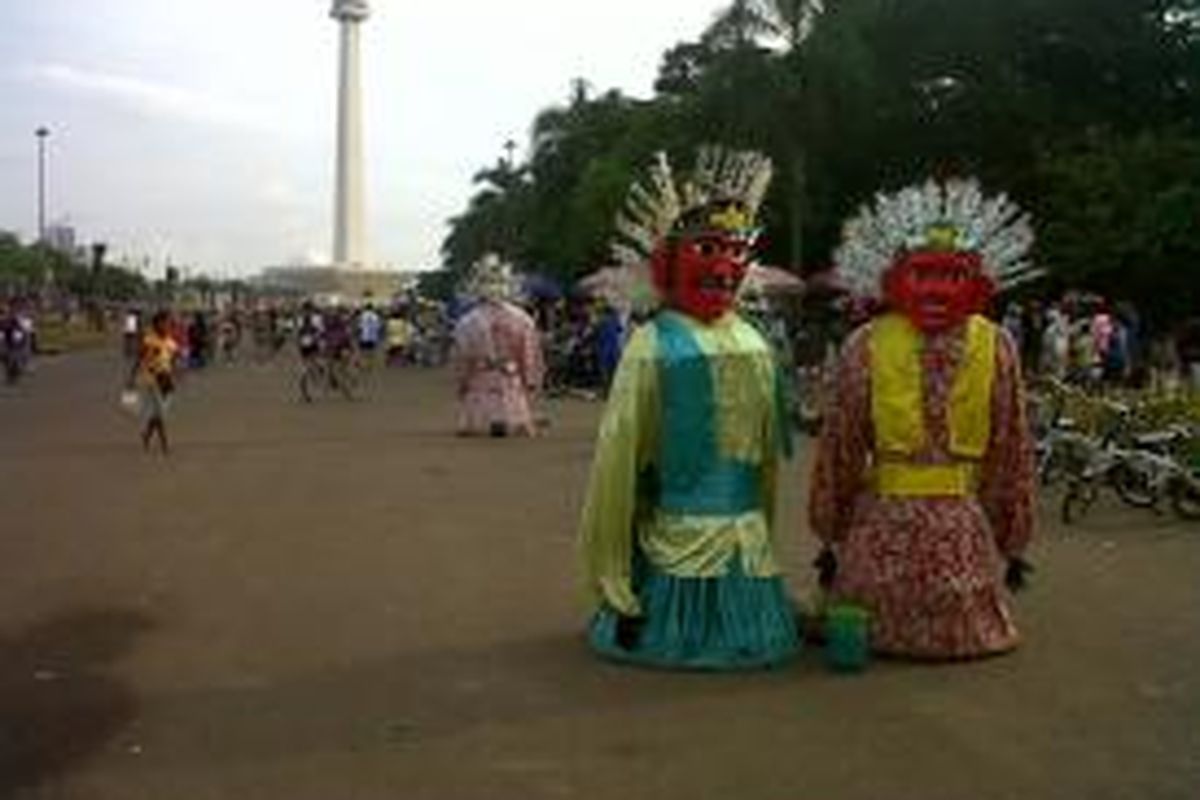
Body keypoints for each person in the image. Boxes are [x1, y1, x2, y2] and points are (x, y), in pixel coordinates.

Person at [579, 148, 800, 670]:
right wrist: (613, 576)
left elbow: (767, 460)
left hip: (745, 533)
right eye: (706, 248)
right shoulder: (652, 342)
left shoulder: (752, 336)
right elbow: (618, 463)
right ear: (666, 264)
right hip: (679, 527)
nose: (725, 265)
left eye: (735, 252)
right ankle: (648, 614)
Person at [810, 178, 1038, 660]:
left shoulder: (868, 343)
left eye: (951, 276)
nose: (936, 289)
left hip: (886, 541)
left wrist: (831, 528)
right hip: (956, 553)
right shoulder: (994, 345)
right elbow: (1010, 456)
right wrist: (1010, 538)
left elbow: (840, 454)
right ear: (895, 282)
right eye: (923, 275)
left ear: (976, 285)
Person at [450, 254, 544, 436]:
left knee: (485, 395)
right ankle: (508, 420)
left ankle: (489, 422)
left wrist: (462, 381)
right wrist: (530, 378)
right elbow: (528, 354)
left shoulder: (467, 321)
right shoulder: (522, 318)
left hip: (483, 374)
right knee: (509, 395)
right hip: (509, 372)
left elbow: (462, 356)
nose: (494, 288)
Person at [128, 310, 179, 454]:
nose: (166, 325)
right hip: (151, 379)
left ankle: (146, 434)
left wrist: (176, 373)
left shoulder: (170, 341)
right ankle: (164, 444)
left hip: (167, 380)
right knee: (160, 413)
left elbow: (173, 358)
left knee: (160, 412)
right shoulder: (149, 340)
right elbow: (139, 358)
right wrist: (131, 377)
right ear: (156, 324)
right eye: (163, 323)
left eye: (168, 323)